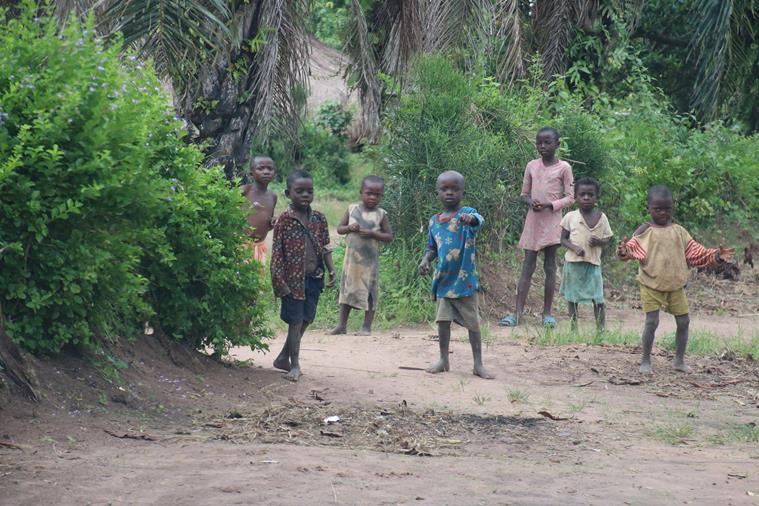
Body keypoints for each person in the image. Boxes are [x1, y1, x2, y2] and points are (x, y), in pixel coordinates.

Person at [618, 185, 733, 374]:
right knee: (652, 322)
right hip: (651, 284)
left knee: (684, 321)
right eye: (657, 209)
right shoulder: (645, 231)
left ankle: (679, 361)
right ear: (648, 208)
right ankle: (645, 361)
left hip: (676, 285)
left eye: (667, 209)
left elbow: (696, 252)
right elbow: (631, 249)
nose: (663, 213)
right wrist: (623, 251)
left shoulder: (679, 231)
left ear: (673, 207)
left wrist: (716, 256)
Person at [418, 170, 494, 379]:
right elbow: (431, 247)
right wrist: (425, 260)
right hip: (443, 280)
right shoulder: (434, 221)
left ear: (463, 192)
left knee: (473, 323)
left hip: (464, 281)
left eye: (454, 189)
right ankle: (444, 359)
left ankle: (478, 364)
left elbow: (479, 220)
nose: (449, 193)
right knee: (443, 322)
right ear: (437, 193)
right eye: (444, 189)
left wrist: (471, 219)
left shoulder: (466, 215)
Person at [499, 127, 574, 328]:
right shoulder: (531, 166)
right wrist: (530, 201)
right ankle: (517, 313)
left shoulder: (564, 168)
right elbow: (523, 194)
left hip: (552, 221)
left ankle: (547, 314)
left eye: (547, 142)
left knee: (550, 266)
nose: (543, 146)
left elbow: (570, 197)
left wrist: (551, 205)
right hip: (533, 220)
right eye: (539, 142)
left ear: (557, 144)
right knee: (528, 265)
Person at [270, 170, 336, 382]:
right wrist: (279, 282)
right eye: (300, 191)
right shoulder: (284, 220)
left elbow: (325, 247)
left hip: (314, 278)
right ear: (288, 193)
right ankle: (294, 365)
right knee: (295, 321)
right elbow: (277, 253)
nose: (306, 195)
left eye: (309, 191)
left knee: (307, 318)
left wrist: (332, 269)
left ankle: (283, 357)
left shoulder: (319, 218)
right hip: (293, 281)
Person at [330, 175, 393, 336]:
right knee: (346, 291)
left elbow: (389, 237)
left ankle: (366, 327)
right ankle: (342, 325)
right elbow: (339, 229)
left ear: (381, 196)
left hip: (369, 263)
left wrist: (373, 234)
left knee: (370, 292)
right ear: (361, 192)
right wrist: (350, 228)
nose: (372, 197)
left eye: (377, 194)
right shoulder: (352, 209)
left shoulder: (381, 214)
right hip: (351, 262)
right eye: (369, 193)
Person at [559, 177, 613, 333]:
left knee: (598, 298)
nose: (586, 198)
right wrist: (574, 248)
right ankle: (573, 329)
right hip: (573, 264)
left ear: (597, 197)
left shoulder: (602, 217)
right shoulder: (570, 217)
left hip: (593, 263)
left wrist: (599, 242)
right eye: (582, 194)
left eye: (590, 194)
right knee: (572, 298)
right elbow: (562, 239)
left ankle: (600, 331)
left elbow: (608, 238)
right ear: (575, 197)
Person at [241, 155, 277, 263]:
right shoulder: (245, 191)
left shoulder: (272, 196)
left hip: (260, 246)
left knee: (258, 273)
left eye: (270, 169)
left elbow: (267, 225)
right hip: (241, 246)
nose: (266, 172)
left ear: (274, 173)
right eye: (260, 168)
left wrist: (272, 223)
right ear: (251, 173)